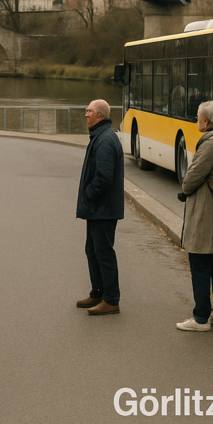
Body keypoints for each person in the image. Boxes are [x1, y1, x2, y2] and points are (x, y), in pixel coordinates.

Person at [176, 101, 213, 332]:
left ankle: (201, 318)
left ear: (206, 121)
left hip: (205, 214)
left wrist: (184, 187)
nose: (196, 119)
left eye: (198, 116)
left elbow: (192, 177)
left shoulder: (209, 144)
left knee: (199, 265)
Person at [75, 99, 124, 316]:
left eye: (89, 111)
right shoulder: (101, 136)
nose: (86, 114)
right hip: (98, 208)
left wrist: (89, 195)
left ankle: (111, 300)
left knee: (103, 253)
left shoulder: (105, 139)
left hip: (102, 208)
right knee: (93, 250)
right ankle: (98, 292)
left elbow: (103, 177)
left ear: (99, 115)